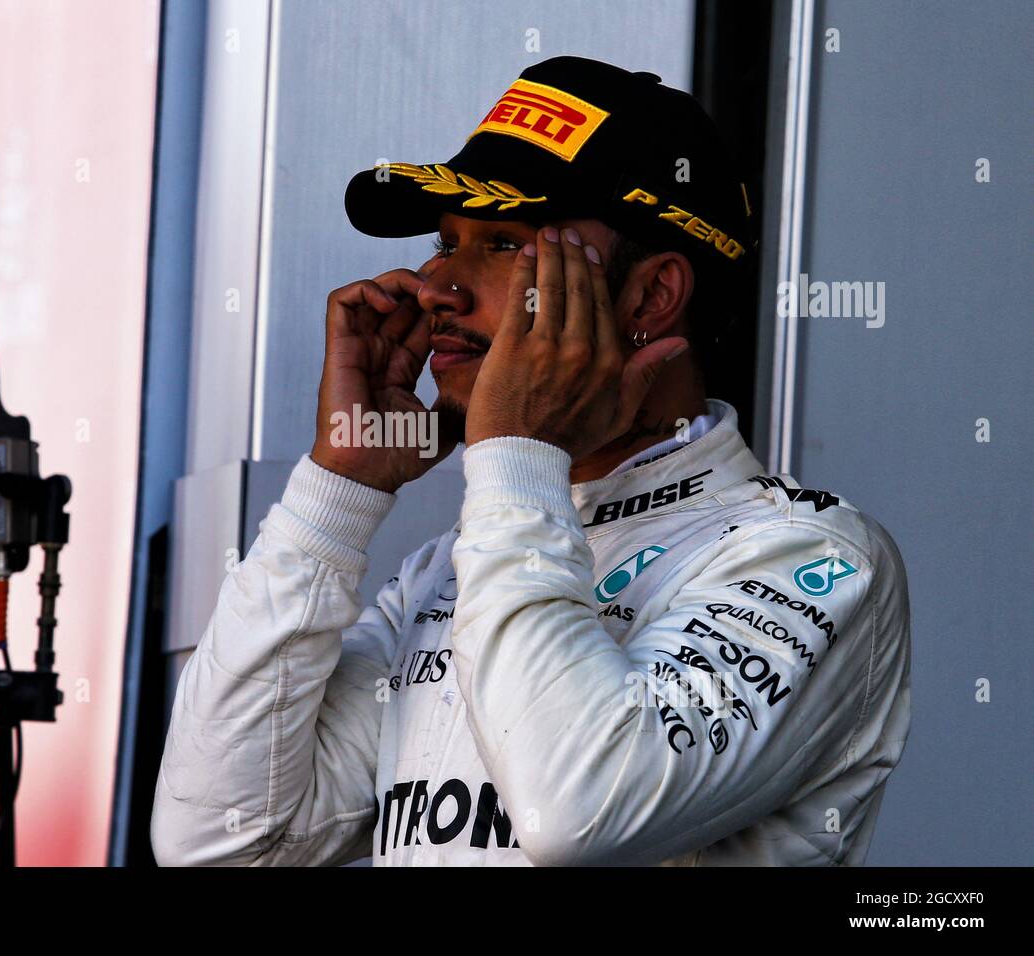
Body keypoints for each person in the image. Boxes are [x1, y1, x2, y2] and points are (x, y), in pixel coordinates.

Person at [150, 56, 911, 866]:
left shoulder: (812, 555)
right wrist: (337, 494)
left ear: (651, 297)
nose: (435, 285)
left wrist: (519, 450)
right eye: (445, 242)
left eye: (503, 243)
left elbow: (574, 812)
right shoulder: (446, 570)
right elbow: (218, 840)